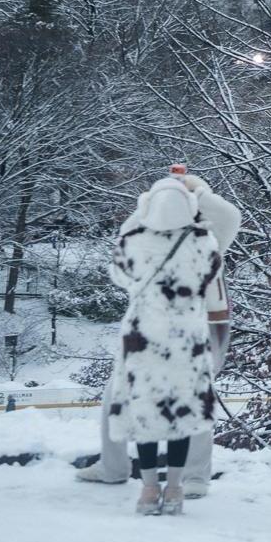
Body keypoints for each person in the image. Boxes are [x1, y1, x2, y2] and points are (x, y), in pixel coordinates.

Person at [79, 170, 241, 498]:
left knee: (191, 395)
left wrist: (192, 191)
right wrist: (164, 199)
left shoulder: (204, 235)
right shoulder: (182, 240)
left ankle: (193, 477)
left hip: (198, 324)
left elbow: (229, 215)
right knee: (125, 392)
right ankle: (118, 467)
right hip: (165, 326)